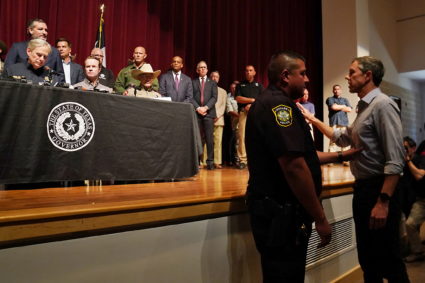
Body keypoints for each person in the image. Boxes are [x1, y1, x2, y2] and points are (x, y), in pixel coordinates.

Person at [246, 50, 361, 282]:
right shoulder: (279, 106)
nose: (307, 79)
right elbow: (294, 167)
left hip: (279, 212)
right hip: (281, 214)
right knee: (285, 274)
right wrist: (320, 217)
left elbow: (305, 155)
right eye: (303, 73)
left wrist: (343, 155)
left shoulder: (278, 102)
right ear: (286, 76)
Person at [298, 56, 409, 282]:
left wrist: (383, 202)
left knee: (390, 261)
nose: (348, 77)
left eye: (352, 72)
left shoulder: (383, 105)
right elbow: (342, 138)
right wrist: (312, 119)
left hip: (379, 192)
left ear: (368, 75)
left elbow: (396, 161)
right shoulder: (364, 107)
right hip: (365, 191)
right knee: (369, 262)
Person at [235, 65, 264, 169]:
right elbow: (238, 98)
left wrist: (252, 105)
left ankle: (256, 159)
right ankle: (242, 160)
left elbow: (262, 100)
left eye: (250, 70)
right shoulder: (240, 85)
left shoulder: (259, 86)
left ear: (254, 72)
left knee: (256, 137)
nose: (248, 72)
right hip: (243, 113)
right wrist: (251, 100)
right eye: (246, 70)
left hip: (256, 114)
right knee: (242, 137)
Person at [192, 61, 217, 170]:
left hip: (208, 113)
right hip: (196, 114)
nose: (202, 69)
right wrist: (198, 108)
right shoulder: (192, 82)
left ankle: (210, 162)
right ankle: (197, 162)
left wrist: (205, 108)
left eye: (204, 67)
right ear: (197, 70)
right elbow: (191, 97)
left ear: (207, 70)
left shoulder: (212, 83)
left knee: (209, 139)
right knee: (197, 138)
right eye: (200, 68)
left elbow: (214, 98)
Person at [404, 139, 425, 262]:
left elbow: (419, 175)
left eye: (406, 148)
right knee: (410, 224)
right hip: (420, 199)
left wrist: (407, 160)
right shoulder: (423, 145)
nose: (404, 151)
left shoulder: (419, 159)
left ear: (413, 148)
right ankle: (417, 251)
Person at [208, 71, 227, 169]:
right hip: (207, 118)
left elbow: (223, 106)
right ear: (210, 78)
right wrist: (210, 115)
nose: (214, 78)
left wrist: (217, 115)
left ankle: (217, 161)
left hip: (219, 119)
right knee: (207, 141)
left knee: (218, 141)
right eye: (213, 76)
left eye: (216, 77)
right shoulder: (205, 89)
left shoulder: (223, 91)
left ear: (219, 79)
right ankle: (204, 161)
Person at [326, 84, 352, 152]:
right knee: (333, 141)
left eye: (338, 89)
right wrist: (343, 106)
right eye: (335, 89)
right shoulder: (330, 99)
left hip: (344, 122)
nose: (336, 91)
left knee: (345, 141)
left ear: (341, 91)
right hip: (334, 122)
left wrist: (338, 106)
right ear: (333, 91)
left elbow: (349, 109)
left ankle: (345, 160)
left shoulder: (345, 100)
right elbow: (333, 107)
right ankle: (330, 159)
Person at [226, 81, 240, 166]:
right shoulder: (229, 98)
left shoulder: (242, 95)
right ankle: (237, 160)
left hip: (245, 121)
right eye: (232, 88)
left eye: (235, 88)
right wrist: (241, 115)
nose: (234, 89)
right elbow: (230, 111)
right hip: (235, 122)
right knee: (237, 142)